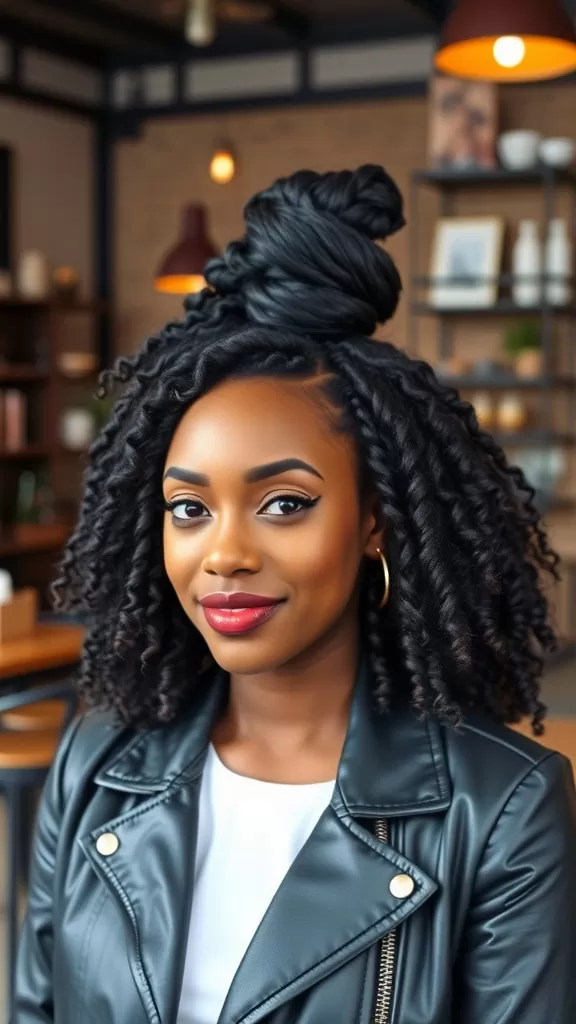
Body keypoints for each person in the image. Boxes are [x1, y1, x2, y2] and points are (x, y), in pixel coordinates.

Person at [14, 164, 576, 1024]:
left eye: (285, 503)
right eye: (189, 508)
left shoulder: (499, 811)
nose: (226, 553)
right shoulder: (96, 763)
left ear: (376, 523)